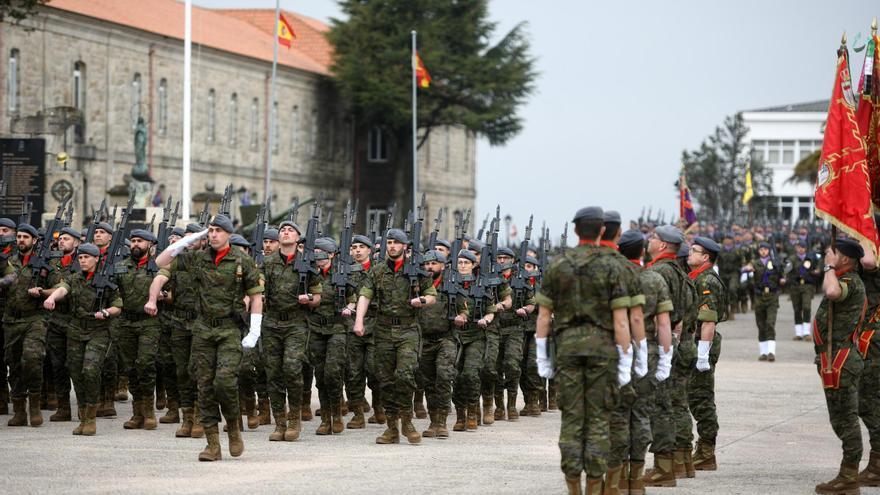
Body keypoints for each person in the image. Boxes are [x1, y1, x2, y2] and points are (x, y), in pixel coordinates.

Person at [535, 206, 635, 495]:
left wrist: (542, 356)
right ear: (602, 230)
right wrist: (626, 357)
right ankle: (594, 487)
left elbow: (544, 316)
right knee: (599, 420)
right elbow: (621, 320)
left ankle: (573, 489)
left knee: (571, 420)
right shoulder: (614, 266)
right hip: (603, 350)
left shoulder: (558, 264)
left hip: (566, 349)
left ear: (576, 230)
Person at [150, 214, 264, 461]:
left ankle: (233, 428)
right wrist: (188, 240)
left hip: (229, 330)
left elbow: (256, 297)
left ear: (228, 235)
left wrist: (255, 331)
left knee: (224, 382)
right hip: (202, 330)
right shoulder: (197, 258)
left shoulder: (242, 260)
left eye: (218, 231)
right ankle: (213, 445)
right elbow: (160, 260)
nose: (213, 234)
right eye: (210, 231)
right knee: (204, 387)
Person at [352, 228, 437, 445]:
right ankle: (392, 427)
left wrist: (423, 301)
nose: (392, 246)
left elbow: (432, 295)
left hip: (408, 330)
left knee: (405, 375)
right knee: (386, 380)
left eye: (396, 242)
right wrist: (359, 320)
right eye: (389, 242)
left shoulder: (416, 272)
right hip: (383, 330)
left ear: (404, 247)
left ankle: (407, 421)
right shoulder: (378, 271)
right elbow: (365, 296)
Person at [42, 243, 122, 436]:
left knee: (91, 370)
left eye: (87, 257)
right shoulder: (74, 279)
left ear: (96, 259)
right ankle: (84, 417)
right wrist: (52, 297)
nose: (83, 260)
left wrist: (106, 312)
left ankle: (91, 419)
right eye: (81, 258)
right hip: (76, 330)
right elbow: (63, 288)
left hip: (98, 330)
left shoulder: (107, 280)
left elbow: (118, 306)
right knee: (76, 373)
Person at [616, 229, 674, 494]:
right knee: (641, 413)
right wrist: (665, 356)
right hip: (647, 350)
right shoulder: (654, 280)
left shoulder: (612, 278)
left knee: (616, 414)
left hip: (617, 351)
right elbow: (664, 323)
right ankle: (636, 479)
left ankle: (616, 477)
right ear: (641, 251)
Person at [812, 238, 866, 495]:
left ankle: (849, 476)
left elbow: (832, 292)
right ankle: (848, 473)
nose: (826, 254)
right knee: (839, 419)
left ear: (845, 258)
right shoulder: (841, 276)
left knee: (846, 418)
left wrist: (829, 268)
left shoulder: (849, 282)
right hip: (832, 359)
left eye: (832, 251)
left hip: (842, 360)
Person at [4, 223, 57, 427]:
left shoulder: (44, 264)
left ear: (34, 240)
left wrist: (42, 292)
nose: (21, 240)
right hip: (11, 319)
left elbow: (61, 288)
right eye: (18, 237)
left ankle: (34, 405)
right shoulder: (7, 261)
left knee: (32, 359)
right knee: (14, 364)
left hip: (35, 318)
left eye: (26, 237)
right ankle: (19, 410)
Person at [416, 249, 466, 437]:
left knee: (444, 377)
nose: (429, 267)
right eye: (426, 264)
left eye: (433, 263)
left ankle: (442, 421)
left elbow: (464, 309)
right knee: (428, 381)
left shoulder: (452, 285)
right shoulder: (418, 284)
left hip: (446, 338)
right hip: (425, 339)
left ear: (442, 266)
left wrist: (462, 316)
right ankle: (433, 420)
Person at [686, 236, 726, 472]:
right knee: (696, 397)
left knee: (701, 398)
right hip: (697, 341)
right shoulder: (698, 278)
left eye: (694, 250)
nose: (690, 253)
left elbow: (708, 320)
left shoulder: (706, 280)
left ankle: (706, 451)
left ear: (705, 257)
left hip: (702, 343)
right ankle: (702, 449)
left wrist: (702, 355)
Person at [309, 237, 351, 435]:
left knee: (332, 372)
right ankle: (325, 418)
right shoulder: (308, 273)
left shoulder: (341, 275)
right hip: (315, 328)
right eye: (315, 252)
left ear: (332, 255)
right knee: (320, 375)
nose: (318, 257)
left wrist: (348, 308)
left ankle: (337, 413)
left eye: (322, 253)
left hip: (337, 328)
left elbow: (354, 298)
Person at [745, 242, 784, 361]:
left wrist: (782, 278)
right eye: (761, 249)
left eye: (765, 249)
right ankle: (763, 352)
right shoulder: (755, 263)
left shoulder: (776, 262)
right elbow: (744, 270)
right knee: (761, 324)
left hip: (772, 296)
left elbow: (782, 274)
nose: (763, 251)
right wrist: (747, 269)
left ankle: (771, 352)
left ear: (769, 251)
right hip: (759, 296)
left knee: (770, 323)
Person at [787, 240, 820, 341]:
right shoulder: (791, 259)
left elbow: (818, 268)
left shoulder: (811, 258)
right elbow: (787, 271)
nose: (801, 249)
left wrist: (817, 271)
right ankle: (798, 332)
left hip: (807, 286)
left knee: (806, 307)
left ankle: (806, 332)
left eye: (803, 247)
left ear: (805, 248)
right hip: (795, 286)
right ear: (796, 248)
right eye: (799, 247)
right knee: (797, 309)